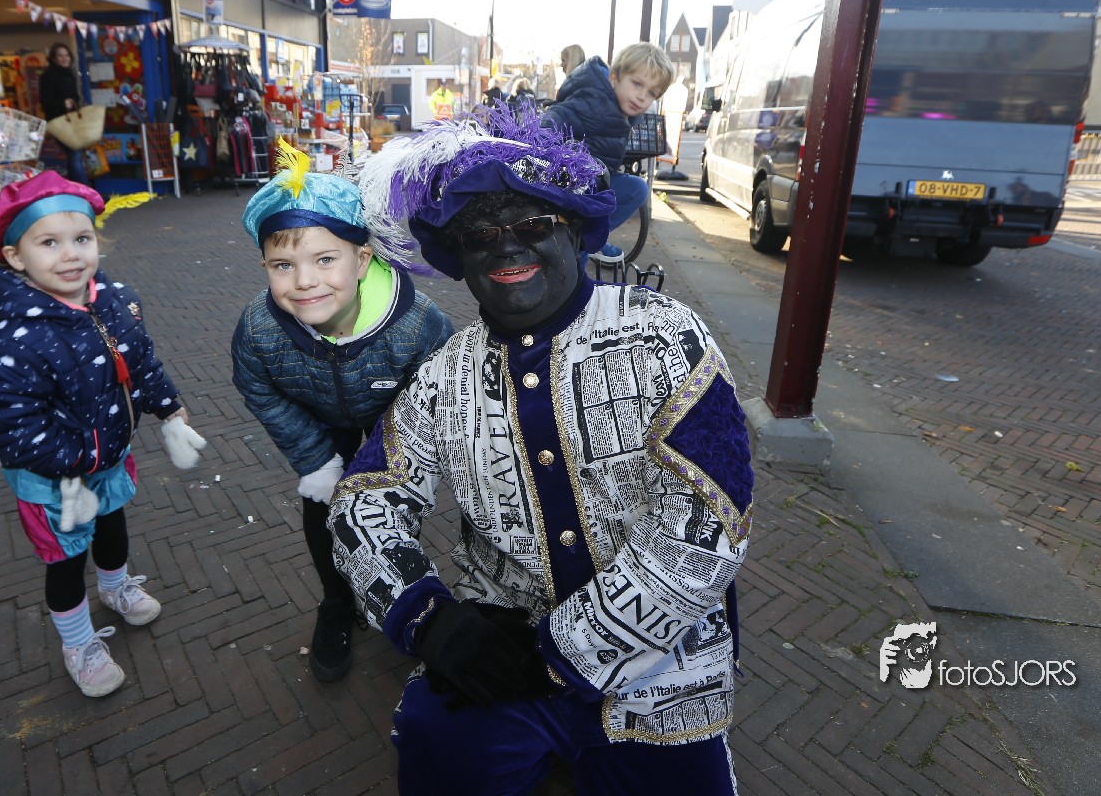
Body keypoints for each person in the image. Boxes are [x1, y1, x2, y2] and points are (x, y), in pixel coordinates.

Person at [333, 109, 753, 795]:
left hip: (661, 666)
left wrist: (564, 652)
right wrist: (431, 620)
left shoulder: (664, 335)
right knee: (436, 757)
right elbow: (363, 500)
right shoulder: (445, 372)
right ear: (459, 257)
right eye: (480, 235)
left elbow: (713, 516)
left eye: (532, 225)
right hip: (496, 656)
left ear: (574, 231)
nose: (506, 248)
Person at [0, 171, 207, 698]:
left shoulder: (112, 300)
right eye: (49, 243)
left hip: (108, 458)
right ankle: (78, 643)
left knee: (113, 527)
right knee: (65, 559)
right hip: (56, 478)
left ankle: (116, 587)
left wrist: (168, 407)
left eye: (81, 238)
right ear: (14, 257)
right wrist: (72, 464)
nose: (71, 255)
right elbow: (11, 424)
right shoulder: (13, 339)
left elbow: (139, 362)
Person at [231, 140, 454, 682]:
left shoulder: (417, 323)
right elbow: (258, 387)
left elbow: (440, 386)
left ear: (362, 259)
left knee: (385, 508)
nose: (305, 281)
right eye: (283, 265)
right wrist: (314, 459)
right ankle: (336, 600)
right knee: (323, 505)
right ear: (264, 266)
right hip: (320, 420)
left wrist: (395, 454)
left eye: (325, 259)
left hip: (392, 418)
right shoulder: (259, 329)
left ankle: (402, 595)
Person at [542, 41, 675, 263]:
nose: (642, 96)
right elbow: (557, 115)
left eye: (652, 92)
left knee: (636, 188)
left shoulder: (623, 114)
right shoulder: (593, 102)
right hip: (568, 187)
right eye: (636, 84)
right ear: (614, 77)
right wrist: (545, 137)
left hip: (592, 186)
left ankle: (586, 238)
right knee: (573, 265)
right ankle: (580, 241)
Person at [38, 41, 89, 187]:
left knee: (74, 155)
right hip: (59, 123)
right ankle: (84, 189)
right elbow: (44, 102)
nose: (64, 58)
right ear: (54, 59)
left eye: (67, 55)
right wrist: (62, 103)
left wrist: (75, 102)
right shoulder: (48, 76)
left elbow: (74, 97)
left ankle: (76, 189)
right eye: (60, 55)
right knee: (75, 153)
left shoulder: (69, 74)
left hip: (70, 121)